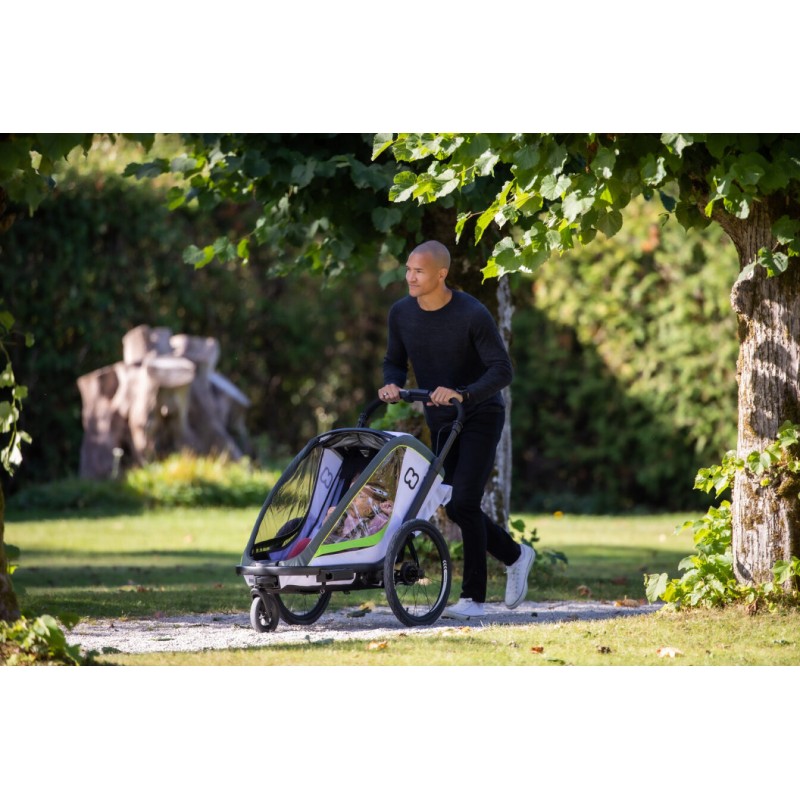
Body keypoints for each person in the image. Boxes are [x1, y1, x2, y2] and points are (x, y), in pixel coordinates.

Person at [379, 239, 535, 621]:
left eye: (419, 271)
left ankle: (473, 599)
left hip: (481, 413)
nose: (410, 277)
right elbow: (393, 360)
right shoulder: (401, 313)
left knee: (463, 501)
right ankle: (516, 556)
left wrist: (463, 393)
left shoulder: (471, 313)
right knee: (452, 503)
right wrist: (392, 383)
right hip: (442, 419)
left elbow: (502, 370)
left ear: (441, 274)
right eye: (408, 269)